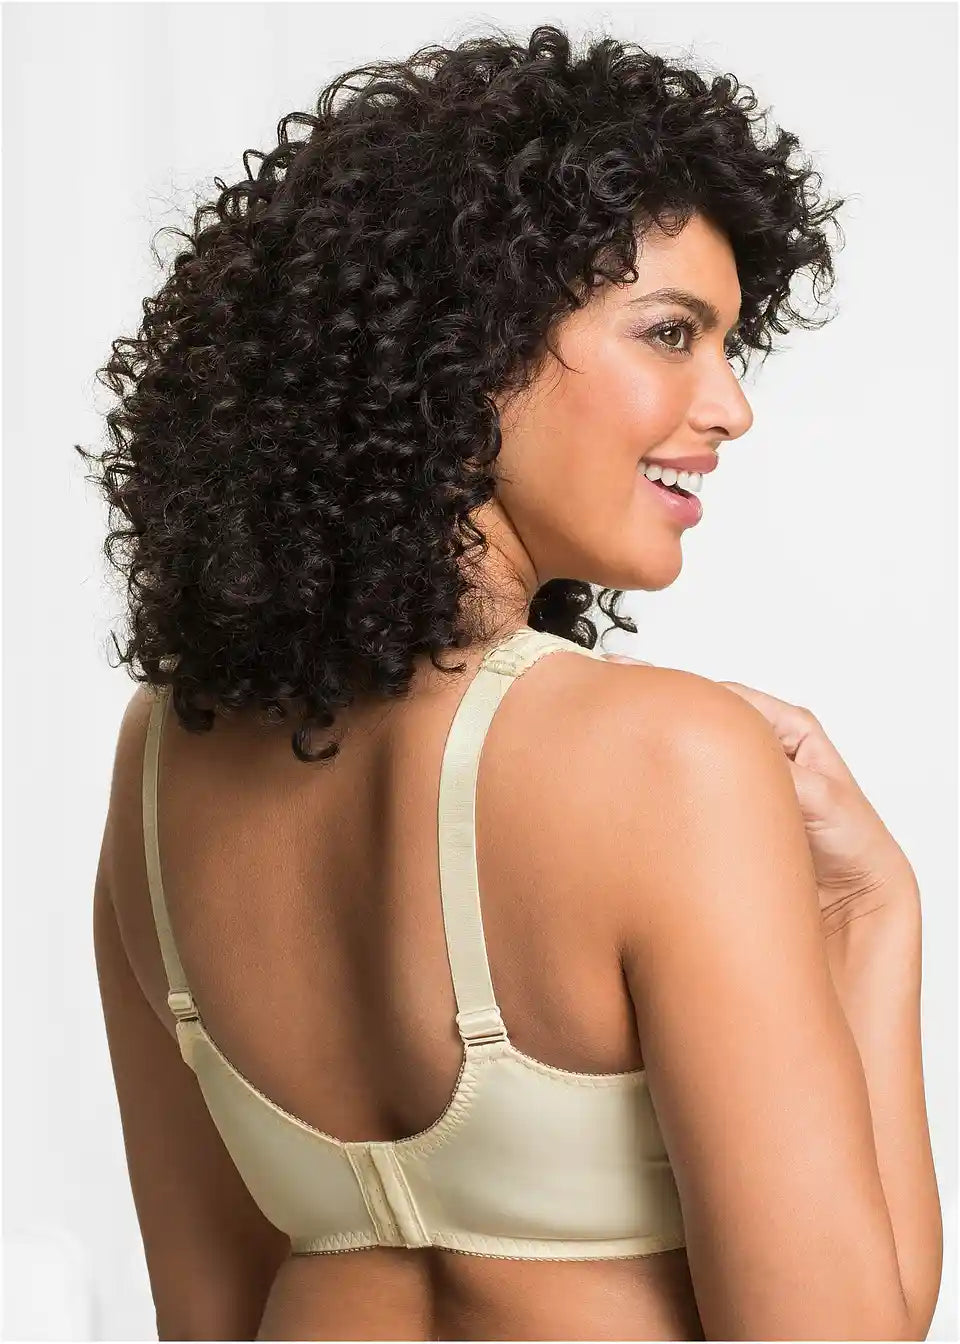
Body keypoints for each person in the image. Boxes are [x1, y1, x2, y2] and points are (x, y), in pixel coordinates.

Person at [82, 24, 942, 1342]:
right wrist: (873, 913)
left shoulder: (162, 758)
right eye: (672, 335)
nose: (730, 407)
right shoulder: (666, 759)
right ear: (468, 347)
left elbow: (207, 1317)